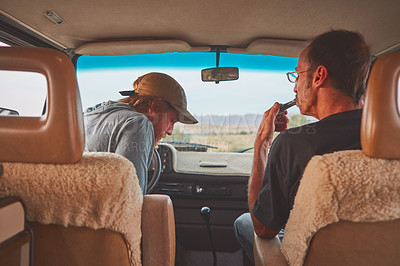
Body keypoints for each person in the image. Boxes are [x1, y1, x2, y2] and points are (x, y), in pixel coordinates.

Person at [234, 30, 371, 264]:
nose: (295, 88)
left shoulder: (292, 144)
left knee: (244, 223)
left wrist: (263, 145)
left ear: (319, 76)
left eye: (297, 76)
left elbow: (263, 227)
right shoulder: (390, 142)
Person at [84, 72, 198, 194]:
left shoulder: (88, 116)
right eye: (171, 120)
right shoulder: (138, 124)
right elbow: (131, 198)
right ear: (156, 107)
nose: (170, 131)